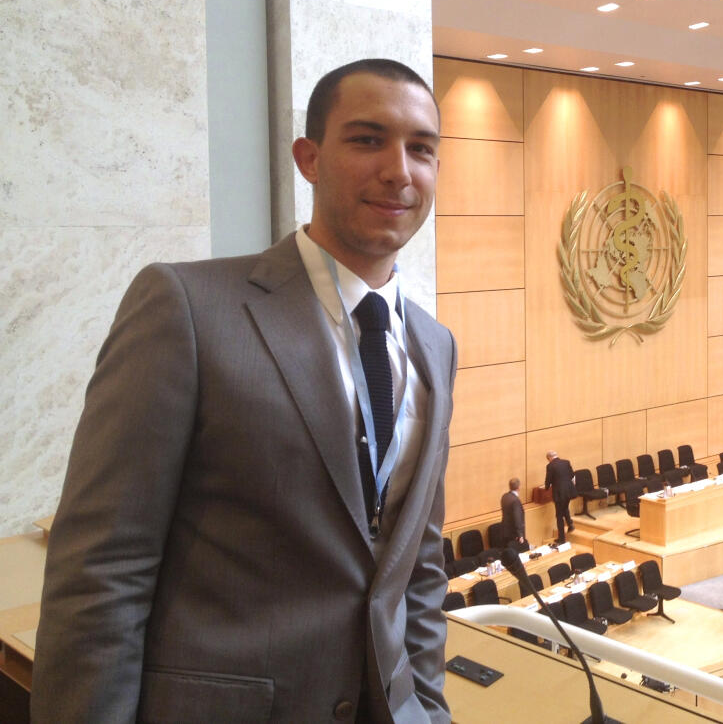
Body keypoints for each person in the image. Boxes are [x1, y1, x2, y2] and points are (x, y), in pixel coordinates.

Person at [32, 59, 457, 723]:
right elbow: (102, 572)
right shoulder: (188, 309)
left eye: (421, 148)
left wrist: (426, 707)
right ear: (309, 157)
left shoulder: (435, 346)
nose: (399, 169)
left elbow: (419, 566)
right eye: (367, 139)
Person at [544, 450, 576, 544]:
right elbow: (572, 475)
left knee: (559, 515)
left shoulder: (550, 466)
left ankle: (561, 539)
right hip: (569, 491)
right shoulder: (566, 462)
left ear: (549, 458)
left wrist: (546, 487)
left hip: (559, 493)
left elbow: (548, 479)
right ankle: (570, 524)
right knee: (565, 507)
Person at [499, 477, 526, 549]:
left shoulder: (504, 496)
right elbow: (517, 519)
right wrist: (520, 535)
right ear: (519, 487)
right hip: (514, 534)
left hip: (505, 531)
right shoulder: (515, 500)